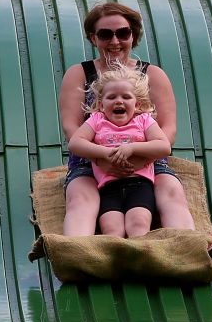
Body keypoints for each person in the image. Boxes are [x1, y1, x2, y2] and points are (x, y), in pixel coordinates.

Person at [58, 1, 212, 266]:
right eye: (105, 34)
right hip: (91, 158)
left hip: (147, 158)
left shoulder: (152, 75)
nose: (114, 41)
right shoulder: (80, 74)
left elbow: (168, 131)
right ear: (93, 38)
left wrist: (138, 158)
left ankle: (190, 250)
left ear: (133, 36)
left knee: (171, 191)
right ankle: (75, 254)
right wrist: (103, 158)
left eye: (122, 33)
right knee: (81, 198)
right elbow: (72, 130)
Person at [66, 63, 171, 237]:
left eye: (126, 97)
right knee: (112, 228)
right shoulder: (97, 119)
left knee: (138, 223)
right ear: (100, 104)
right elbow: (75, 143)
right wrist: (104, 154)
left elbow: (164, 146)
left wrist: (131, 148)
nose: (119, 101)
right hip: (108, 186)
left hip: (139, 184)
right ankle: (114, 261)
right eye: (111, 97)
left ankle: (140, 259)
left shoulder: (143, 120)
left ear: (137, 104)